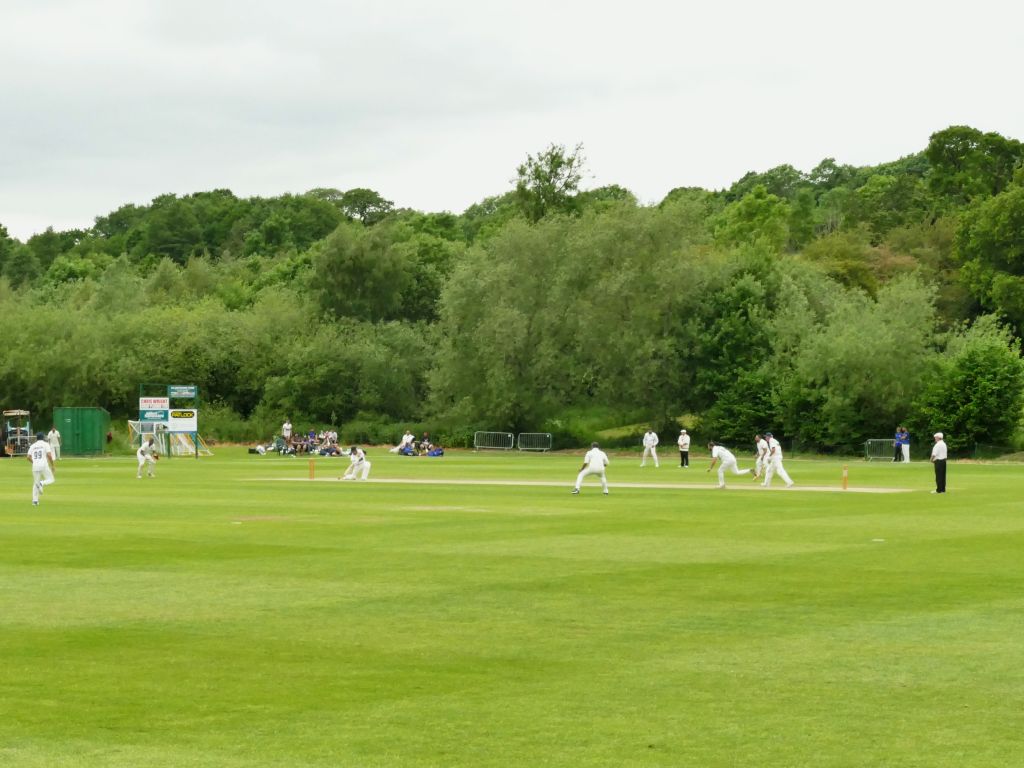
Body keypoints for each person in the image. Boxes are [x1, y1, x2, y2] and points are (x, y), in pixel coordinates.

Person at [27, 432, 55, 506]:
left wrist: (34, 462)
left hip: (35, 466)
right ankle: (41, 483)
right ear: (43, 437)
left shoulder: (33, 445)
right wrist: (52, 465)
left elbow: (28, 457)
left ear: (37, 438)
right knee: (51, 479)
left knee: (35, 483)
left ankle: (35, 501)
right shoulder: (46, 444)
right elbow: (49, 455)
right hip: (44, 465)